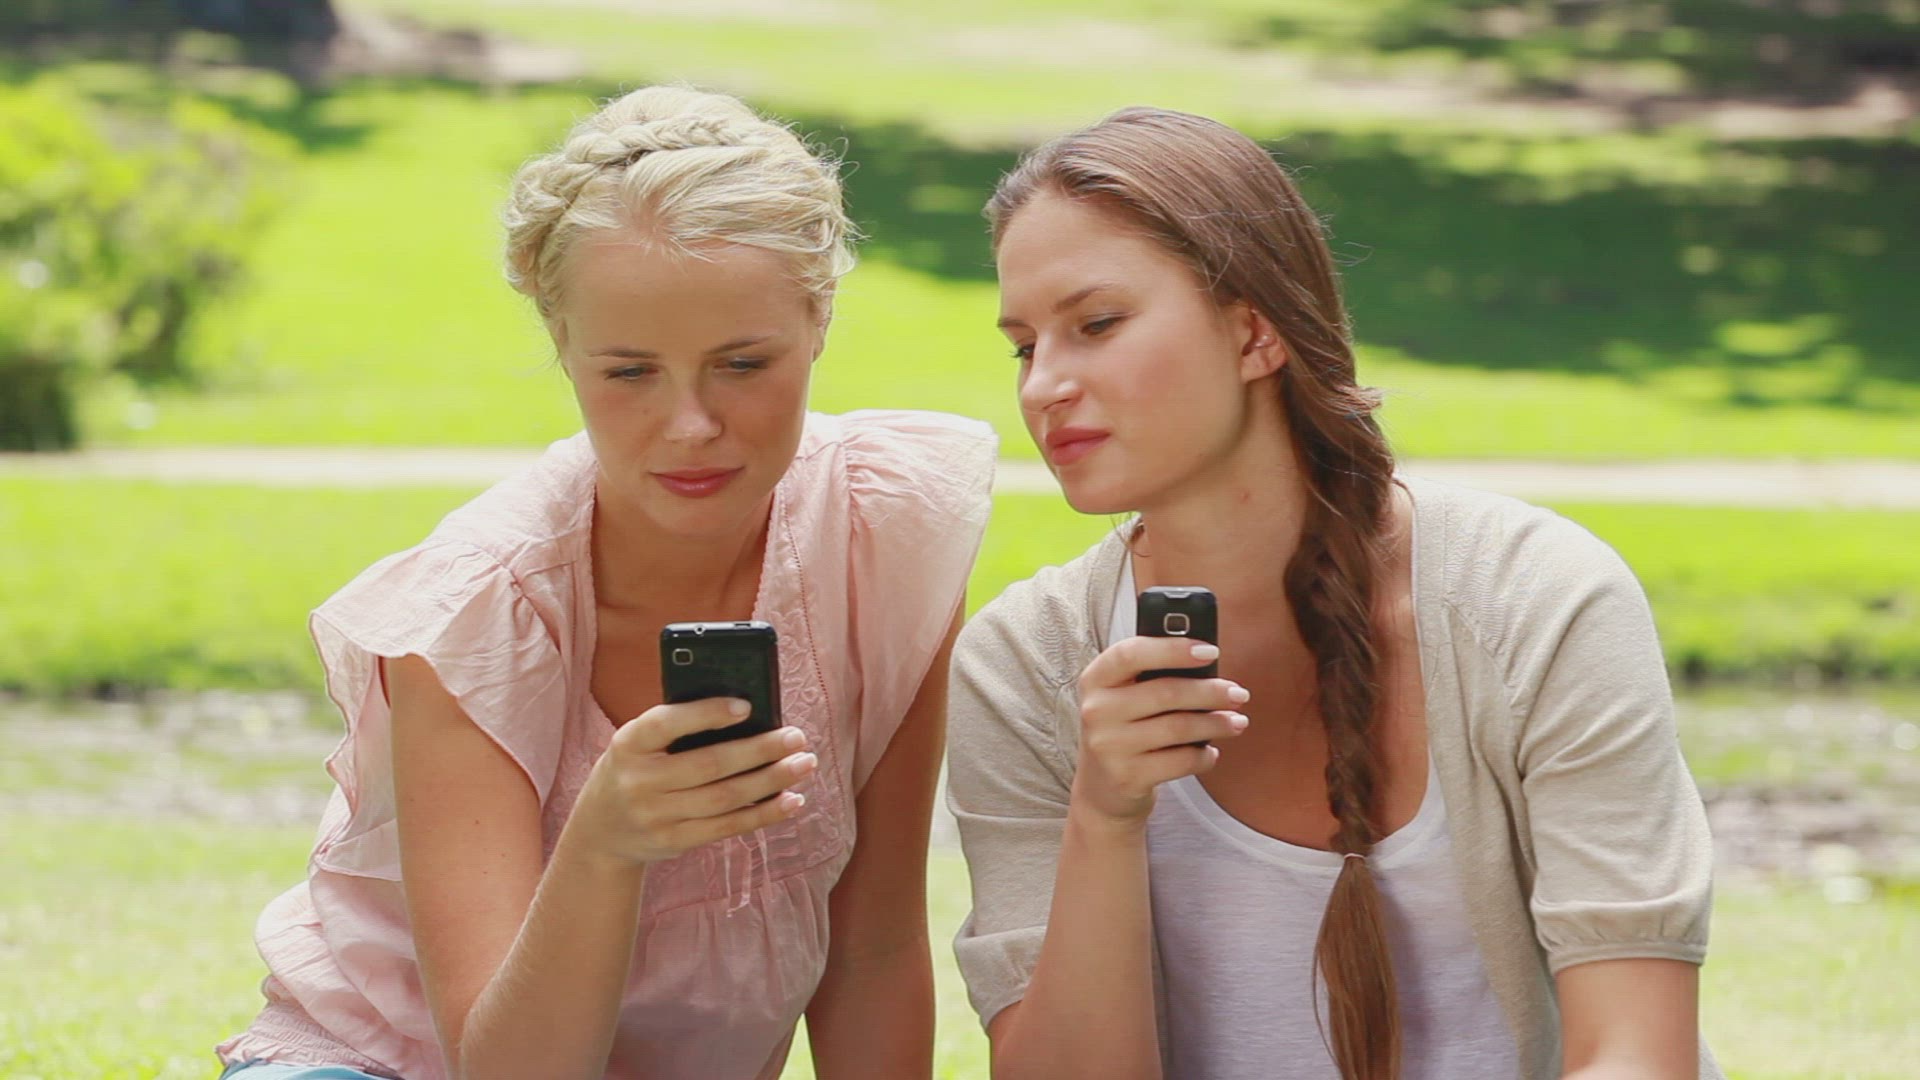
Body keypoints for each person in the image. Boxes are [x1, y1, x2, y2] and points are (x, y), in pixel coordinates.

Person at [215, 85, 994, 1080]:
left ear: (819, 320)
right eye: (629, 373)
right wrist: (604, 846)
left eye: (742, 364)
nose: (691, 425)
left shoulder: (884, 531)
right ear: (562, 343)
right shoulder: (475, 615)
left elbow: (873, 947)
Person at [946, 107, 1721, 1080]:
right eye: (1025, 346)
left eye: (1096, 325)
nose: (1043, 386)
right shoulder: (1025, 669)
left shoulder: (1532, 601)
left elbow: (1636, 1054)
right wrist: (1103, 816)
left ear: (1255, 332)